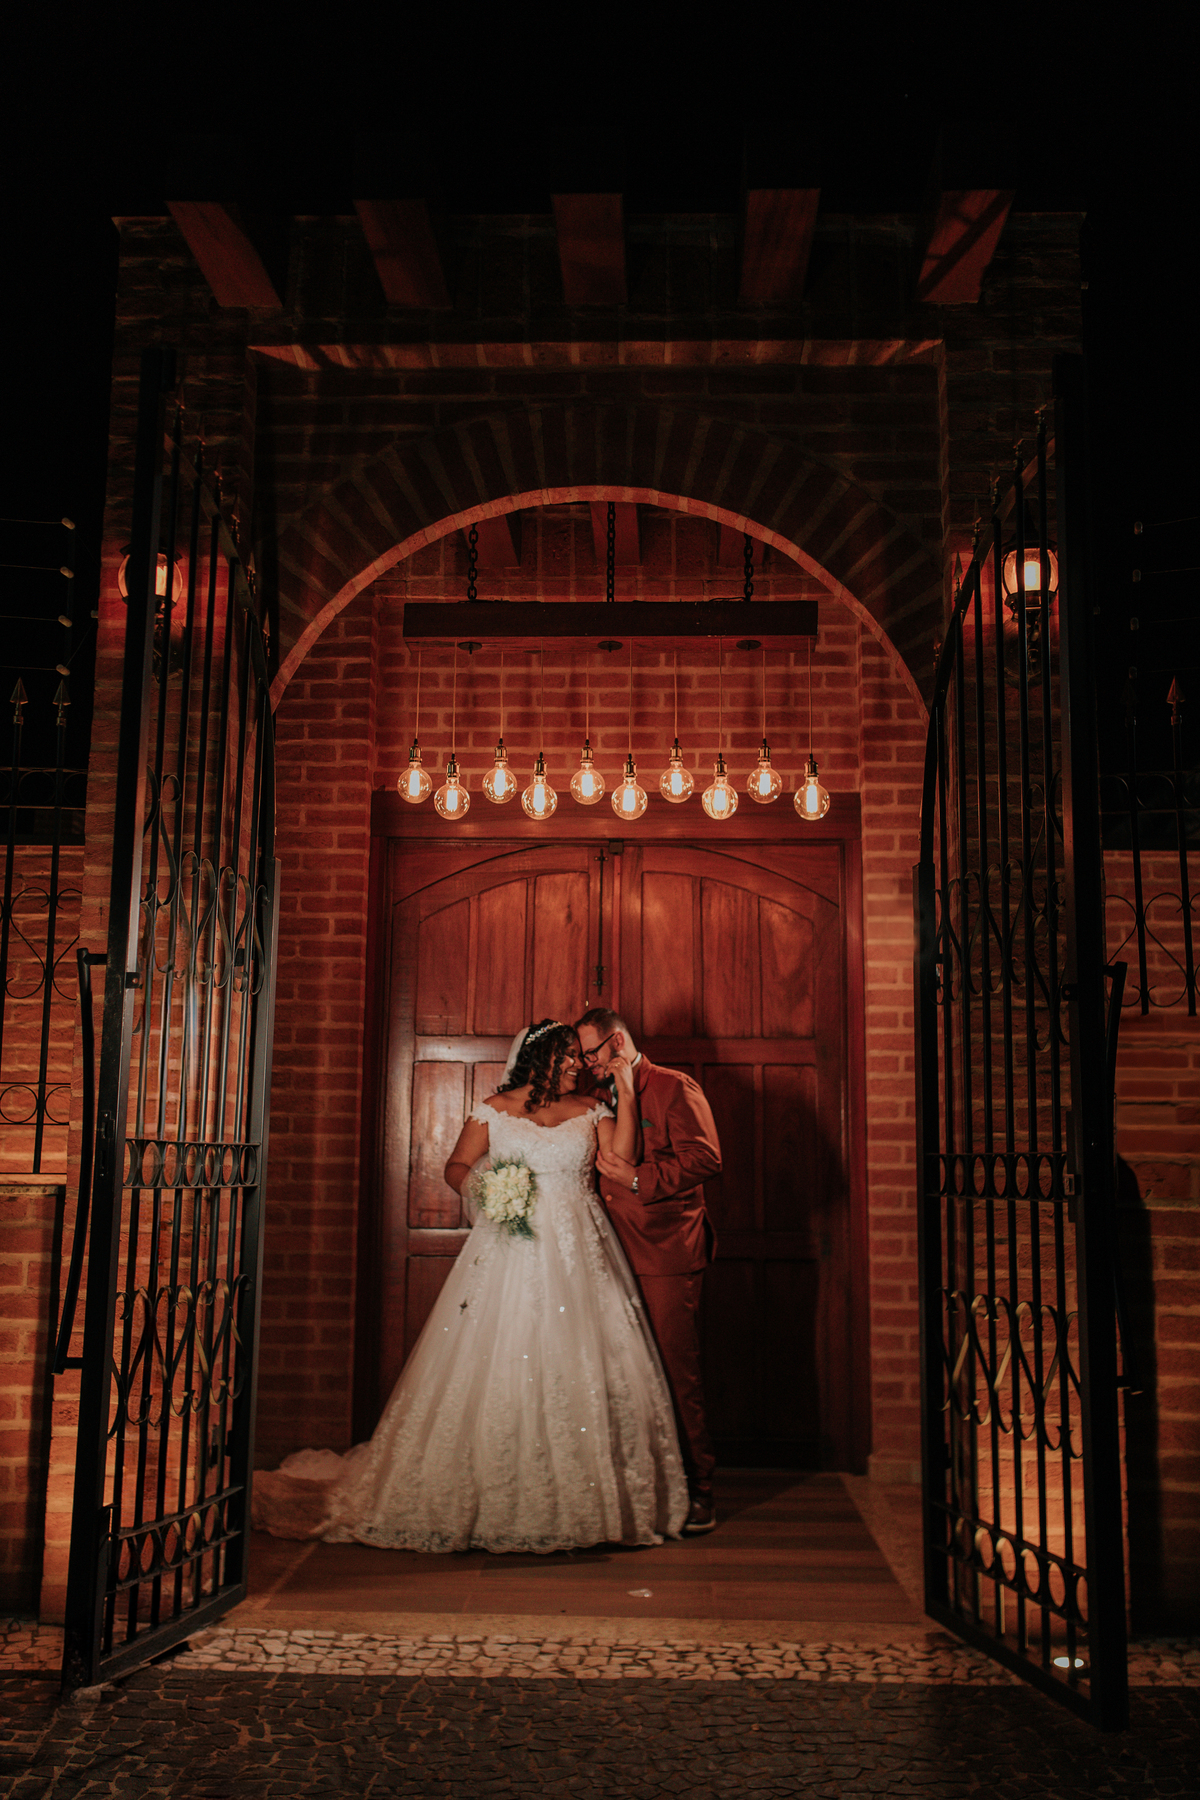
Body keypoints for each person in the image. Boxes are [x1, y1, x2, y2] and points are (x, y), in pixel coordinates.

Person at [252, 1020, 687, 1553]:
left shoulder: (592, 1110)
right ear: (539, 1057)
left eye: (580, 1055)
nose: (577, 1064)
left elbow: (624, 1160)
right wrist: (487, 1187)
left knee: (586, 1360)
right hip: (511, 1248)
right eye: (568, 1055)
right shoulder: (495, 1109)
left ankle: (592, 1501)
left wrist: (620, 1089)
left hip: (581, 1253)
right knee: (501, 1355)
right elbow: (455, 1165)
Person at [575, 1007, 721, 1534]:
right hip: (608, 1248)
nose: (586, 1063)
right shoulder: (595, 1098)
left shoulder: (673, 1085)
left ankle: (701, 1486)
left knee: (675, 1372)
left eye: (591, 1052)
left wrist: (640, 1181)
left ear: (615, 1042)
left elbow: (705, 1158)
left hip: (664, 1252)